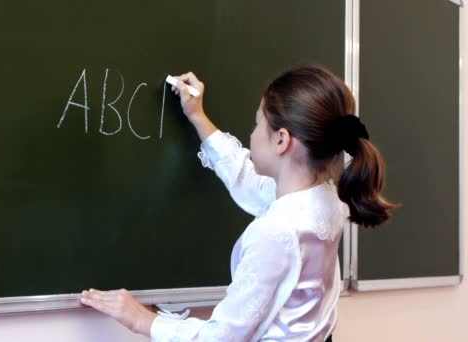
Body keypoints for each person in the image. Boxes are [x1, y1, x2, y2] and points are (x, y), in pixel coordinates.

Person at [80, 65, 398, 341]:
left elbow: (223, 337)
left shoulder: (276, 231)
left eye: (257, 124)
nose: (253, 133)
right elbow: (247, 179)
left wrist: (143, 320)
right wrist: (198, 117)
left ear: (281, 140)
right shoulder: (326, 200)